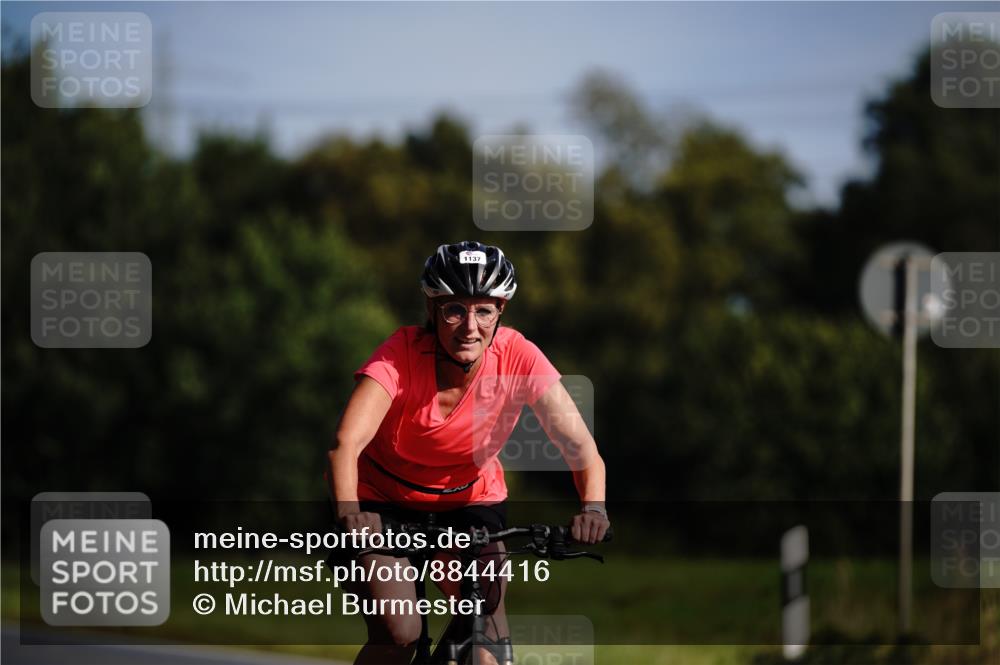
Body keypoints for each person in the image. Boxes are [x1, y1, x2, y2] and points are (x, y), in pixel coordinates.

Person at [326, 240, 609, 665]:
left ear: (500, 313)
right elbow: (345, 445)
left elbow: (580, 447)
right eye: (454, 309)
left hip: (471, 504)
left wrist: (594, 509)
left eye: (484, 311)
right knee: (400, 631)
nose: (469, 326)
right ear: (432, 309)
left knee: (485, 628)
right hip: (380, 507)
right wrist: (351, 513)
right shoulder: (400, 355)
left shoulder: (518, 356)